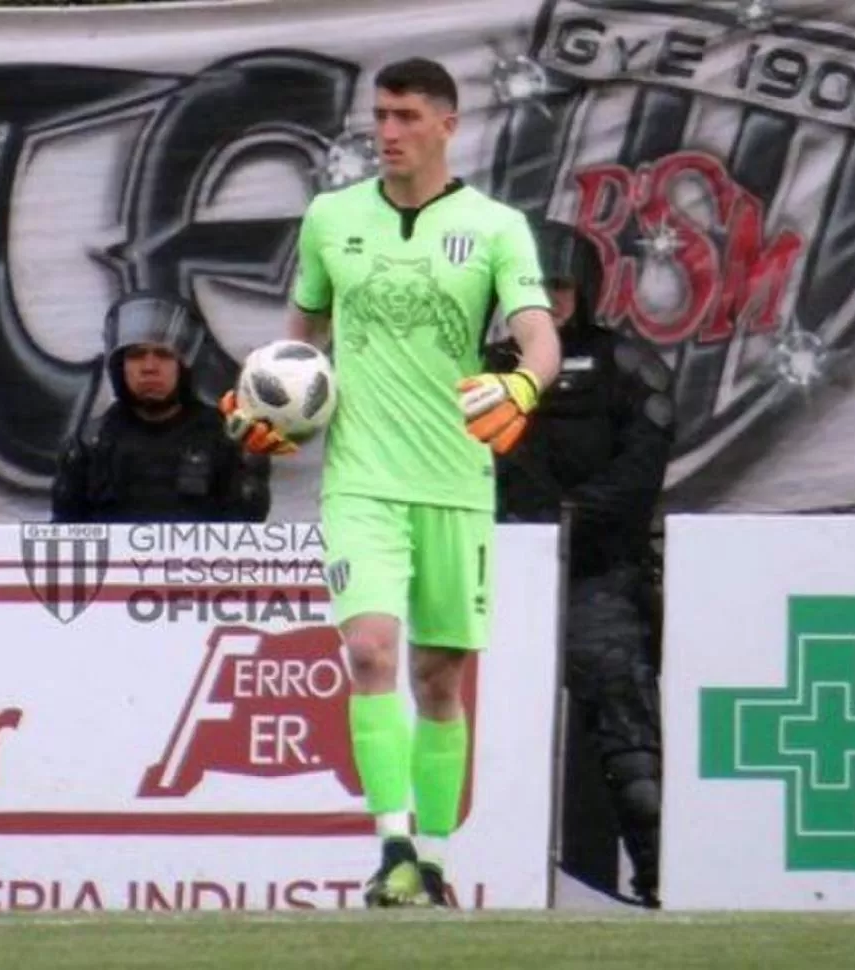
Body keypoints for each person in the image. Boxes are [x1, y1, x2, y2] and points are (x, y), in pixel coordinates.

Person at [220, 58, 561, 907]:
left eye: (407, 115)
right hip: (361, 479)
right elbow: (296, 347)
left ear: (448, 124)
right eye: (380, 115)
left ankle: (434, 864)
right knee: (370, 648)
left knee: (439, 678)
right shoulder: (332, 218)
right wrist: (270, 405)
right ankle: (391, 848)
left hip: (455, 480)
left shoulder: (495, 227)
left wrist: (522, 384)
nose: (389, 130)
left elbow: (539, 338)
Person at [486, 223, 674, 908]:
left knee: (629, 738)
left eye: (558, 286)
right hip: (497, 583)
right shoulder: (482, 369)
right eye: (531, 287)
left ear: (584, 290)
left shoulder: (628, 365)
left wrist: (576, 516)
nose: (547, 299)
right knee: (475, 729)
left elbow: (644, 466)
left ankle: (658, 882)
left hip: (597, 577)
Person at [52, 292, 271, 524]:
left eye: (163, 355)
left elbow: (246, 543)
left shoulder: (226, 440)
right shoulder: (90, 443)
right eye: (136, 355)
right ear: (120, 366)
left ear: (184, 365)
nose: (149, 367)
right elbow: (64, 539)